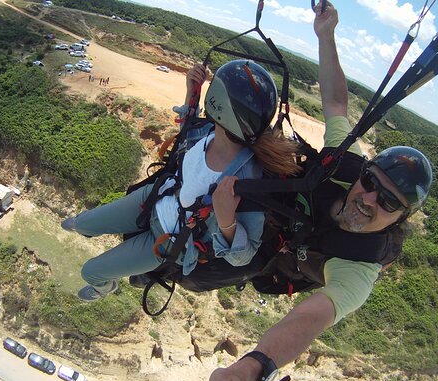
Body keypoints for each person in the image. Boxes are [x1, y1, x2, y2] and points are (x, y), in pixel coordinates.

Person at [197, 1, 433, 381]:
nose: (370, 199)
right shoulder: (348, 164)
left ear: (400, 219)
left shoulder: (358, 271)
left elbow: (310, 318)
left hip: (267, 260)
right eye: (372, 183)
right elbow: (336, 106)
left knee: (196, 274)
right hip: (275, 214)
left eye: (389, 202)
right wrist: (326, 34)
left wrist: (250, 368)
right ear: (365, 172)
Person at [62, 60, 299, 300]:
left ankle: (104, 287)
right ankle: (82, 227)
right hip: (155, 198)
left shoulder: (247, 181)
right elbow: (187, 134)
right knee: (81, 223)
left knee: (91, 271)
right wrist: (190, 89)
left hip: (167, 240)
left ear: (219, 103)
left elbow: (243, 257)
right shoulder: (209, 131)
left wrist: (226, 220)